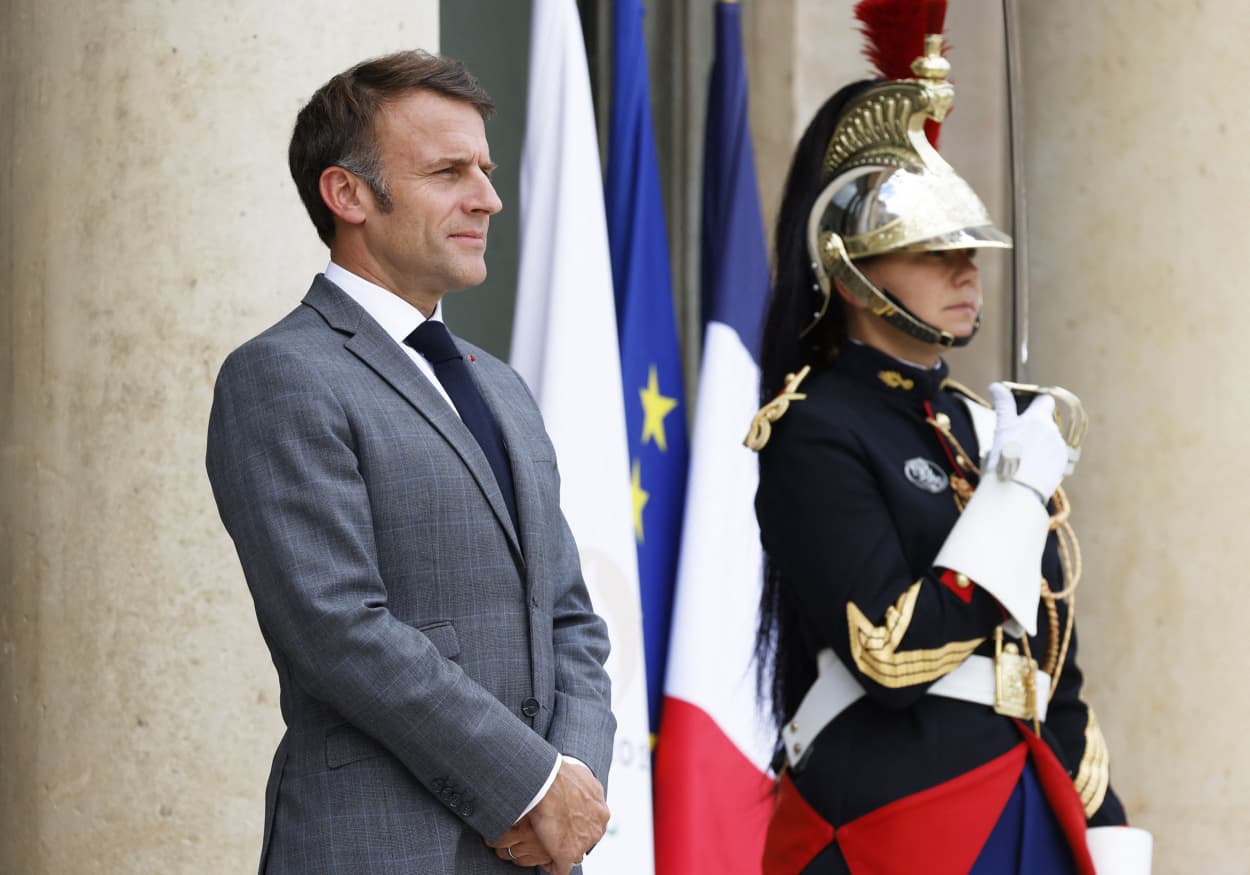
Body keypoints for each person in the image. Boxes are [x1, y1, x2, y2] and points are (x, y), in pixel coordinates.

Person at [747, 5, 1152, 874]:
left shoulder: (981, 426)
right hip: (896, 817)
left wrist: (1105, 827)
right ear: (853, 268)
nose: (966, 269)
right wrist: (1012, 494)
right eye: (933, 248)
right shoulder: (812, 425)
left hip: (1028, 799)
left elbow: (1051, 664)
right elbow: (891, 651)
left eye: (968, 245)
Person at [206, 50, 613, 875]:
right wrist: (530, 784)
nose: (489, 197)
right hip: (378, 848)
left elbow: (570, 616)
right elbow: (337, 629)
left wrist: (572, 784)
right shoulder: (281, 373)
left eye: (487, 170)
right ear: (347, 193)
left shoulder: (500, 386)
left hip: (539, 854)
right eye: (448, 171)